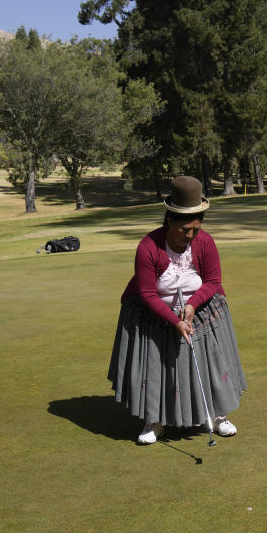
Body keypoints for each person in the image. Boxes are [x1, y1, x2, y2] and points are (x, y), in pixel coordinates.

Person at [108, 176, 247, 445]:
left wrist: (193, 305)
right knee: (155, 366)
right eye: (185, 229)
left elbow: (214, 282)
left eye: (196, 229)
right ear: (170, 221)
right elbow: (147, 292)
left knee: (211, 361)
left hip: (200, 306)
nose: (190, 236)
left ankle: (219, 416)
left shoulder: (204, 242)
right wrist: (174, 319)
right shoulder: (148, 247)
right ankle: (154, 421)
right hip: (154, 310)